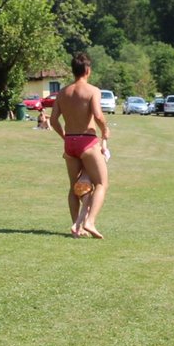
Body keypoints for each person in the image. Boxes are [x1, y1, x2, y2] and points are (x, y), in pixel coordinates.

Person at [51, 52, 111, 239]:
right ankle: (89, 222)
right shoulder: (93, 91)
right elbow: (98, 115)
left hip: (70, 142)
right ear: (87, 70)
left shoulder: (63, 93)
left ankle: (77, 228)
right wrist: (105, 130)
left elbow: (53, 120)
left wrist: (64, 136)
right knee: (101, 183)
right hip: (87, 140)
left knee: (73, 187)